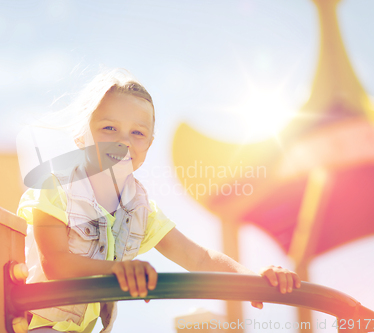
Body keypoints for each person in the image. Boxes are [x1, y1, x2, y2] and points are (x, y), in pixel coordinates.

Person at [17, 69, 301, 333]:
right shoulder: (55, 188)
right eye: (109, 129)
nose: (124, 141)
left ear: (149, 144)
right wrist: (119, 269)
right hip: (39, 326)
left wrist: (252, 278)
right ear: (82, 135)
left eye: (137, 133)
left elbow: (198, 257)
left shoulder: (140, 210)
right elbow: (55, 263)